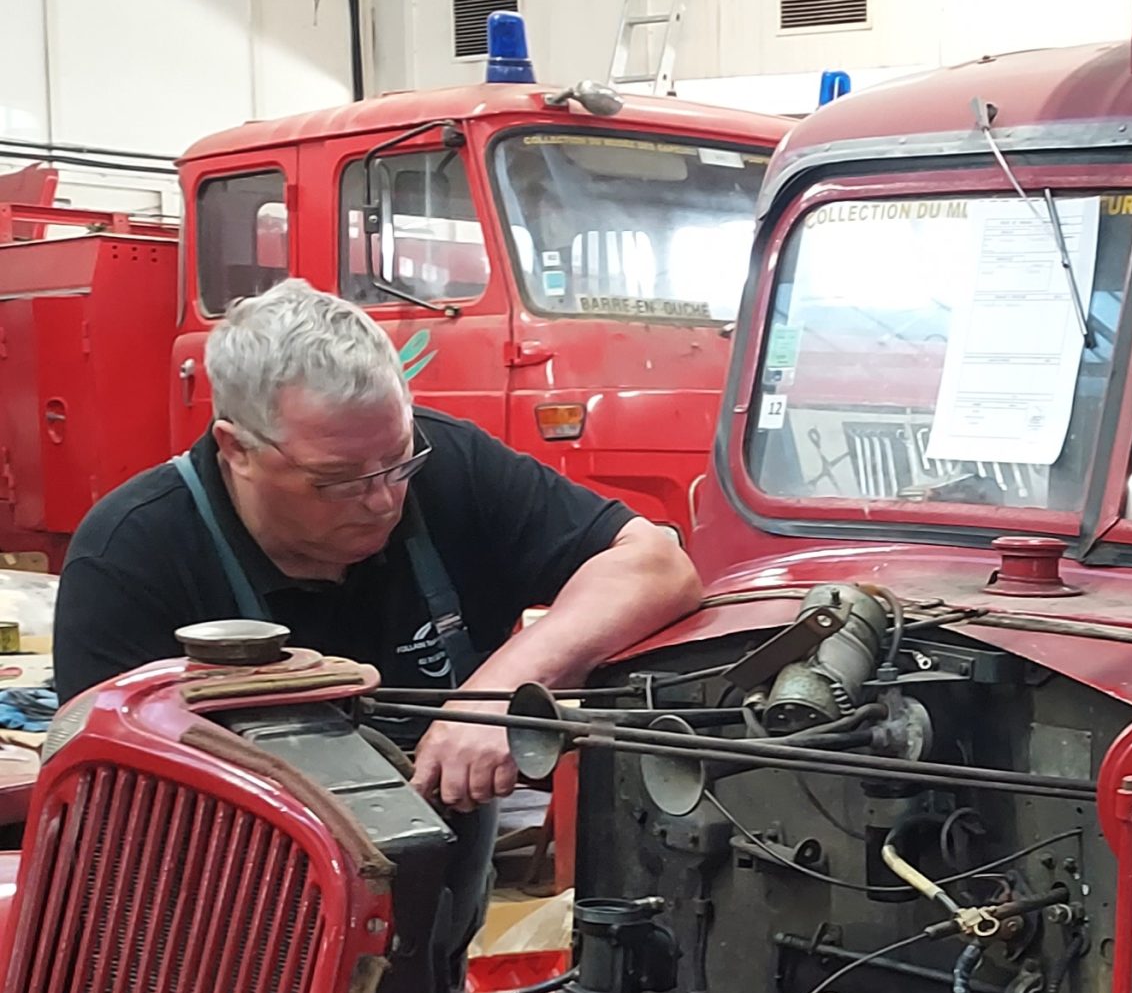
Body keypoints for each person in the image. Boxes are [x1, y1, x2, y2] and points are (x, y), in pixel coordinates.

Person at [56, 279, 703, 810]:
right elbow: (107, 797)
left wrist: (497, 692)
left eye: (397, 462)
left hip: (437, 904)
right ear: (236, 448)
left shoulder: (452, 462)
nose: (382, 500)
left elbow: (654, 564)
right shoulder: (130, 555)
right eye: (336, 480)